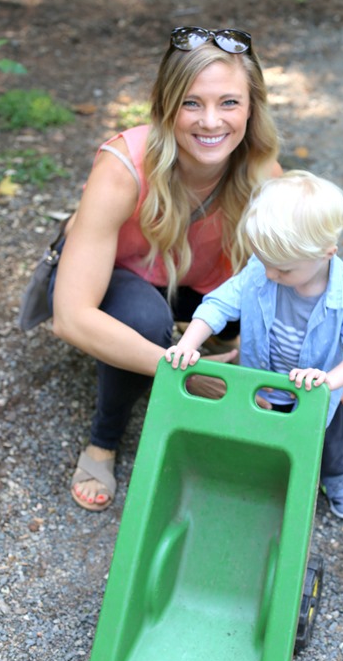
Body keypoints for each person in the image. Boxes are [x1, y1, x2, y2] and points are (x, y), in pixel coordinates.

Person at [49, 26, 282, 511]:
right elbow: (71, 316)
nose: (211, 121)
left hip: (195, 281)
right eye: (192, 103)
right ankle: (104, 440)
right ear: (165, 105)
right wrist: (185, 373)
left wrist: (342, 355)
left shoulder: (260, 169)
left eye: (229, 103)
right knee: (144, 322)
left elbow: (312, 270)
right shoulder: (124, 164)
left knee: (271, 294)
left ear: (252, 107)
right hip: (120, 277)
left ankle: (211, 340)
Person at [166, 171, 343, 519]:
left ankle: (335, 479)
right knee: (258, 434)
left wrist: (332, 381)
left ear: (326, 254)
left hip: (318, 394)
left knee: (329, 446)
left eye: (283, 270)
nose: (270, 275)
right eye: (265, 262)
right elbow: (220, 302)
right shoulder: (264, 267)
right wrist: (190, 343)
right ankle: (267, 479)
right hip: (263, 382)